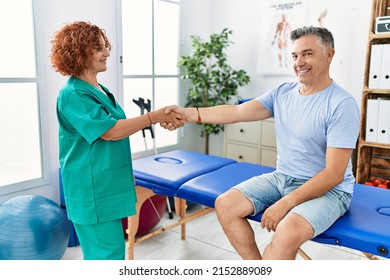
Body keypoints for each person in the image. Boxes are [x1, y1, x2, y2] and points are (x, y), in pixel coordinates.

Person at [164, 26, 360, 260]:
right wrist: (187, 114)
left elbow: (334, 174)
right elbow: (237, 111)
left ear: (329, 54)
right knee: (226, 204)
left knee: (287, 230)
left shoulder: (341, 104)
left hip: (330, 191)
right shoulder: (282, 93)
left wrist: (286, 203)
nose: (299, 62)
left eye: (308, 54)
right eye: (295, 55)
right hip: (283, 177)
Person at [51, 21, 184, 260]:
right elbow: (110, 132)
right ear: (80, 52)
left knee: (111, 253)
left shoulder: (99, 89)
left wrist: (122, 171)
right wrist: (153, 116)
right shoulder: (73, 94)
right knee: (107, 256)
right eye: (99, 48)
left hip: (106, 184)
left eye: (105, 46)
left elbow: (110, 141)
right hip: (91, 191)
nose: (108, 53)